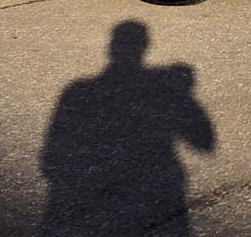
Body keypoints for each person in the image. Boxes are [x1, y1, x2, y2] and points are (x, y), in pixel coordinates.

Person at [40, 21, 215, 236]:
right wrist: (183, 97)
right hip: (155, 193)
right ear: (145, 46)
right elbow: (204, 142)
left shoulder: (77, 92)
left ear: (111, 47)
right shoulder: (162, 90)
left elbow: (50, 160)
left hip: (92, 198)